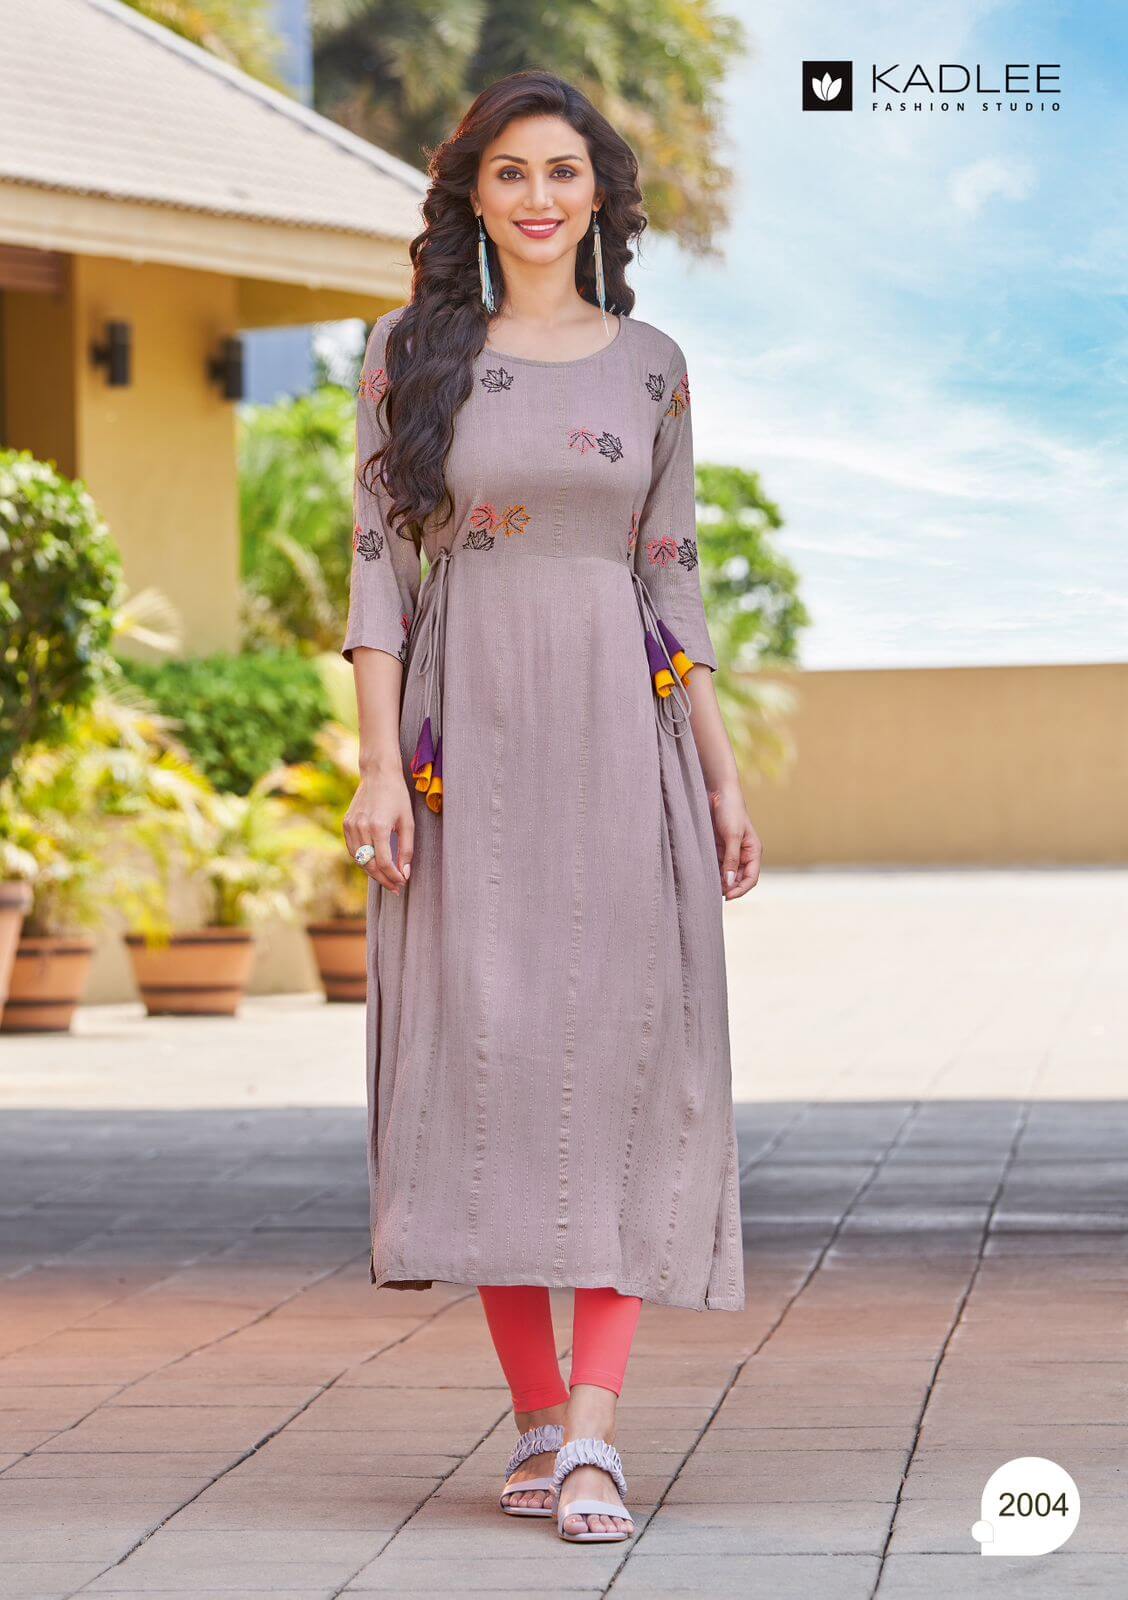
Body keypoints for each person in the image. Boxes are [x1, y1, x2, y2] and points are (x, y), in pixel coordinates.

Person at [341, 69, 761, 1544]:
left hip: (624, 740)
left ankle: (594, 1435)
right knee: (491, 1057)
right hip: (468, 743)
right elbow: (379, 572)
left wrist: (720, 770)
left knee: (631, 1055)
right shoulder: (410, 353)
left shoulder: (652, 365)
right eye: (510, 172)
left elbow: (672, 576)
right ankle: (533, 1416)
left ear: (599, 197)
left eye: (562, 172)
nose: (537, 196)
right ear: (474, 193)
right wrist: (378, 766)